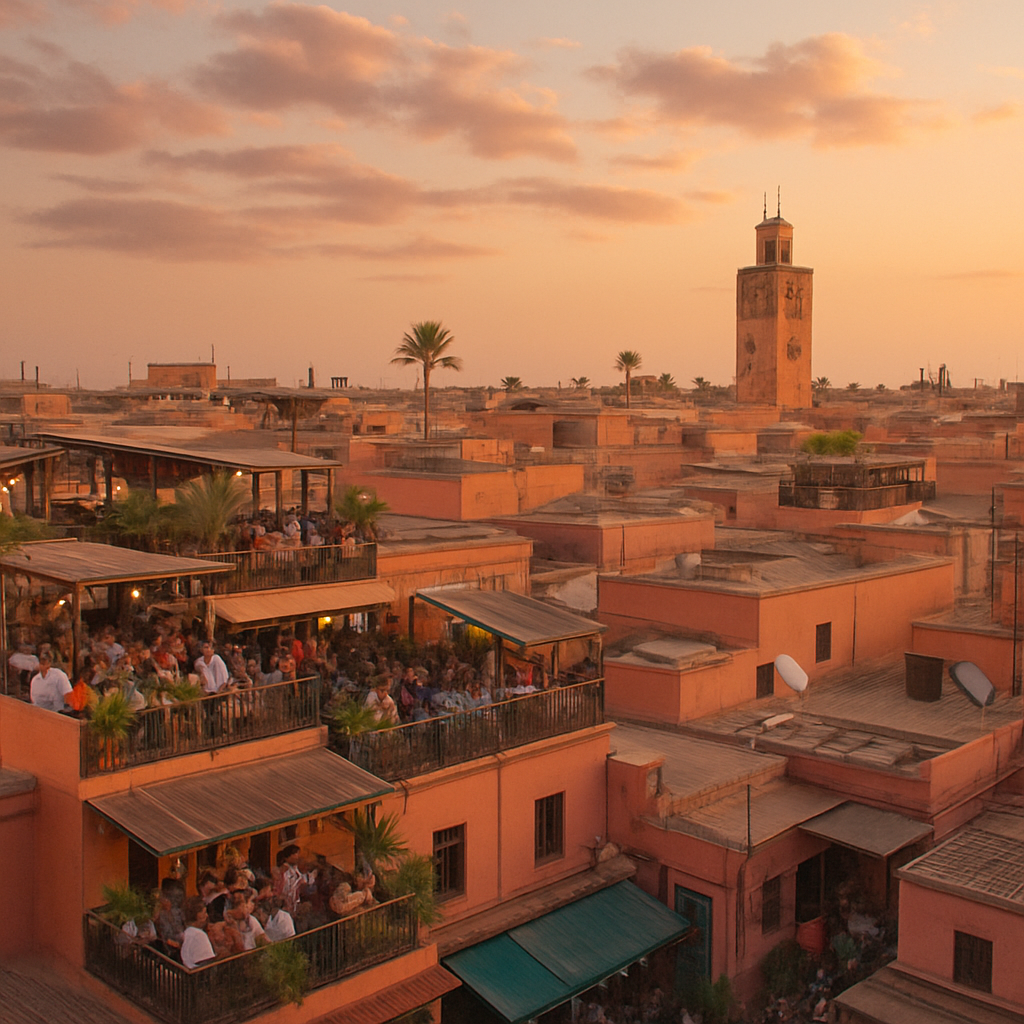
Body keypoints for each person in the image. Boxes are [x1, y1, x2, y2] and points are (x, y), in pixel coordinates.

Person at [180, 897, 216, 970]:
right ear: (198, 915)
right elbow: (207, 966)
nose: (207, 915)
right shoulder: (199, 936)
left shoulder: (187, 933)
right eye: (204, 912)